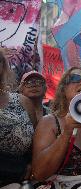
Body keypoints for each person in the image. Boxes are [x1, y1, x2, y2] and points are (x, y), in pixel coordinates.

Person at [0, 50, 37, 187]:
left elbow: (37, 143)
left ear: (3, 67)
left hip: (22, 179)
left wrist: (31, 163)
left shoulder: (23, 102)